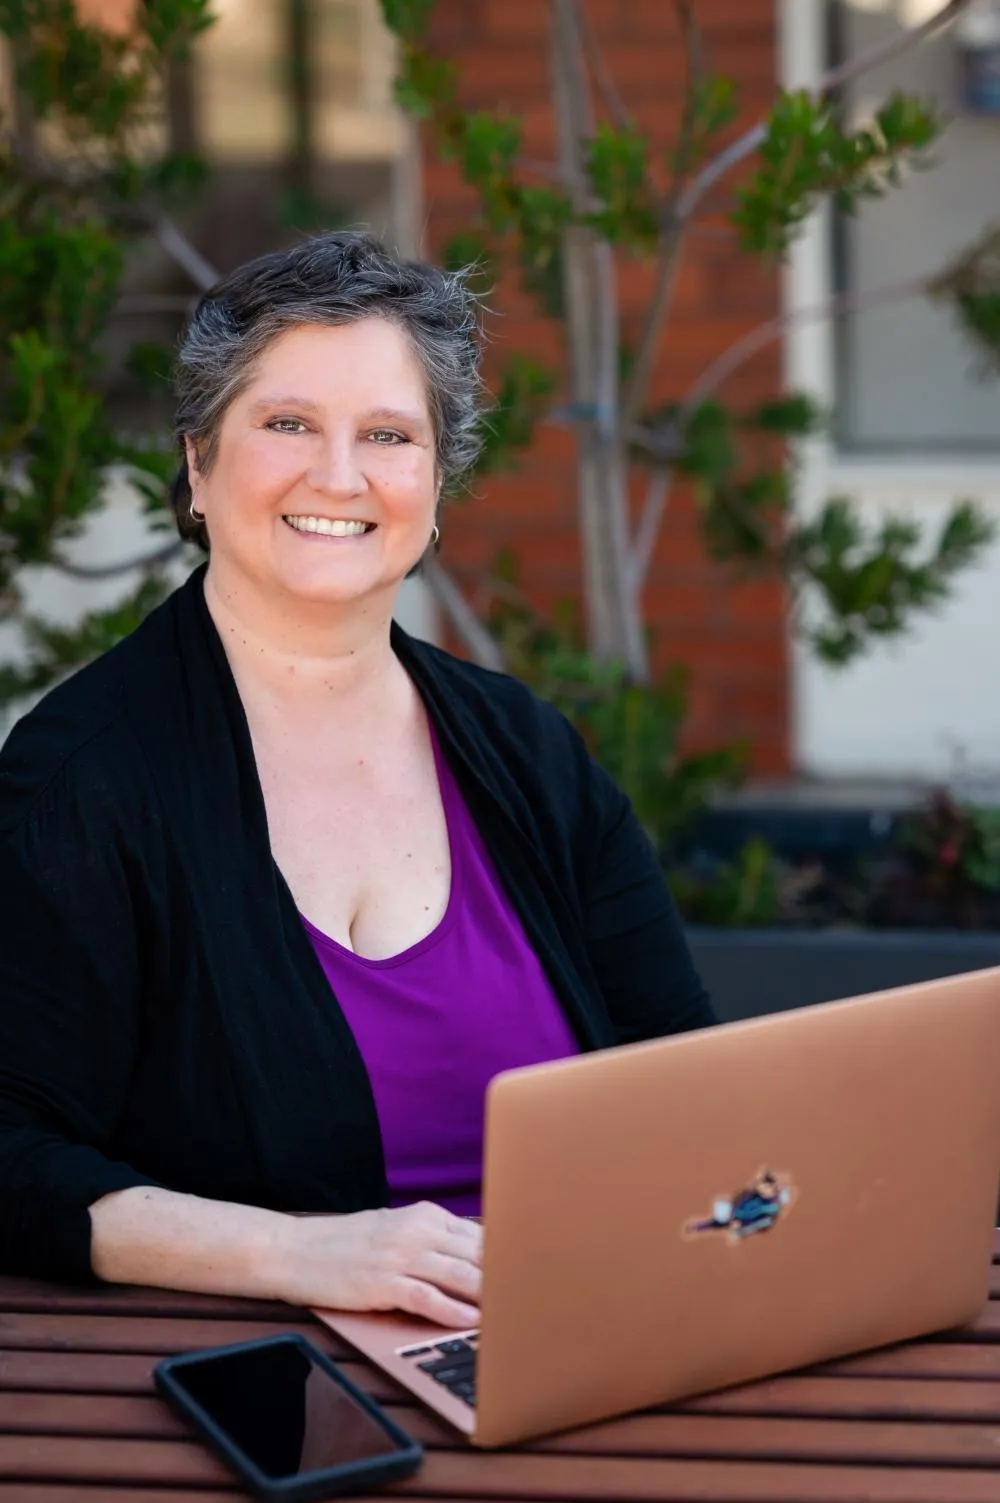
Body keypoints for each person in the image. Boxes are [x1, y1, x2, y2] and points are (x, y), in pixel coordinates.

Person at [0, 232, 715, 1328]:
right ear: (197, 462)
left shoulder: (524, 752)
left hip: (581, 1330)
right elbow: (11, 1156)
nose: (339, 477)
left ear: (433, 486)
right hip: (272, 1382)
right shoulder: (82, 782)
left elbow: (686, 1081)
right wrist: (300, 1255)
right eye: (287, 424)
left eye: (387, 435)